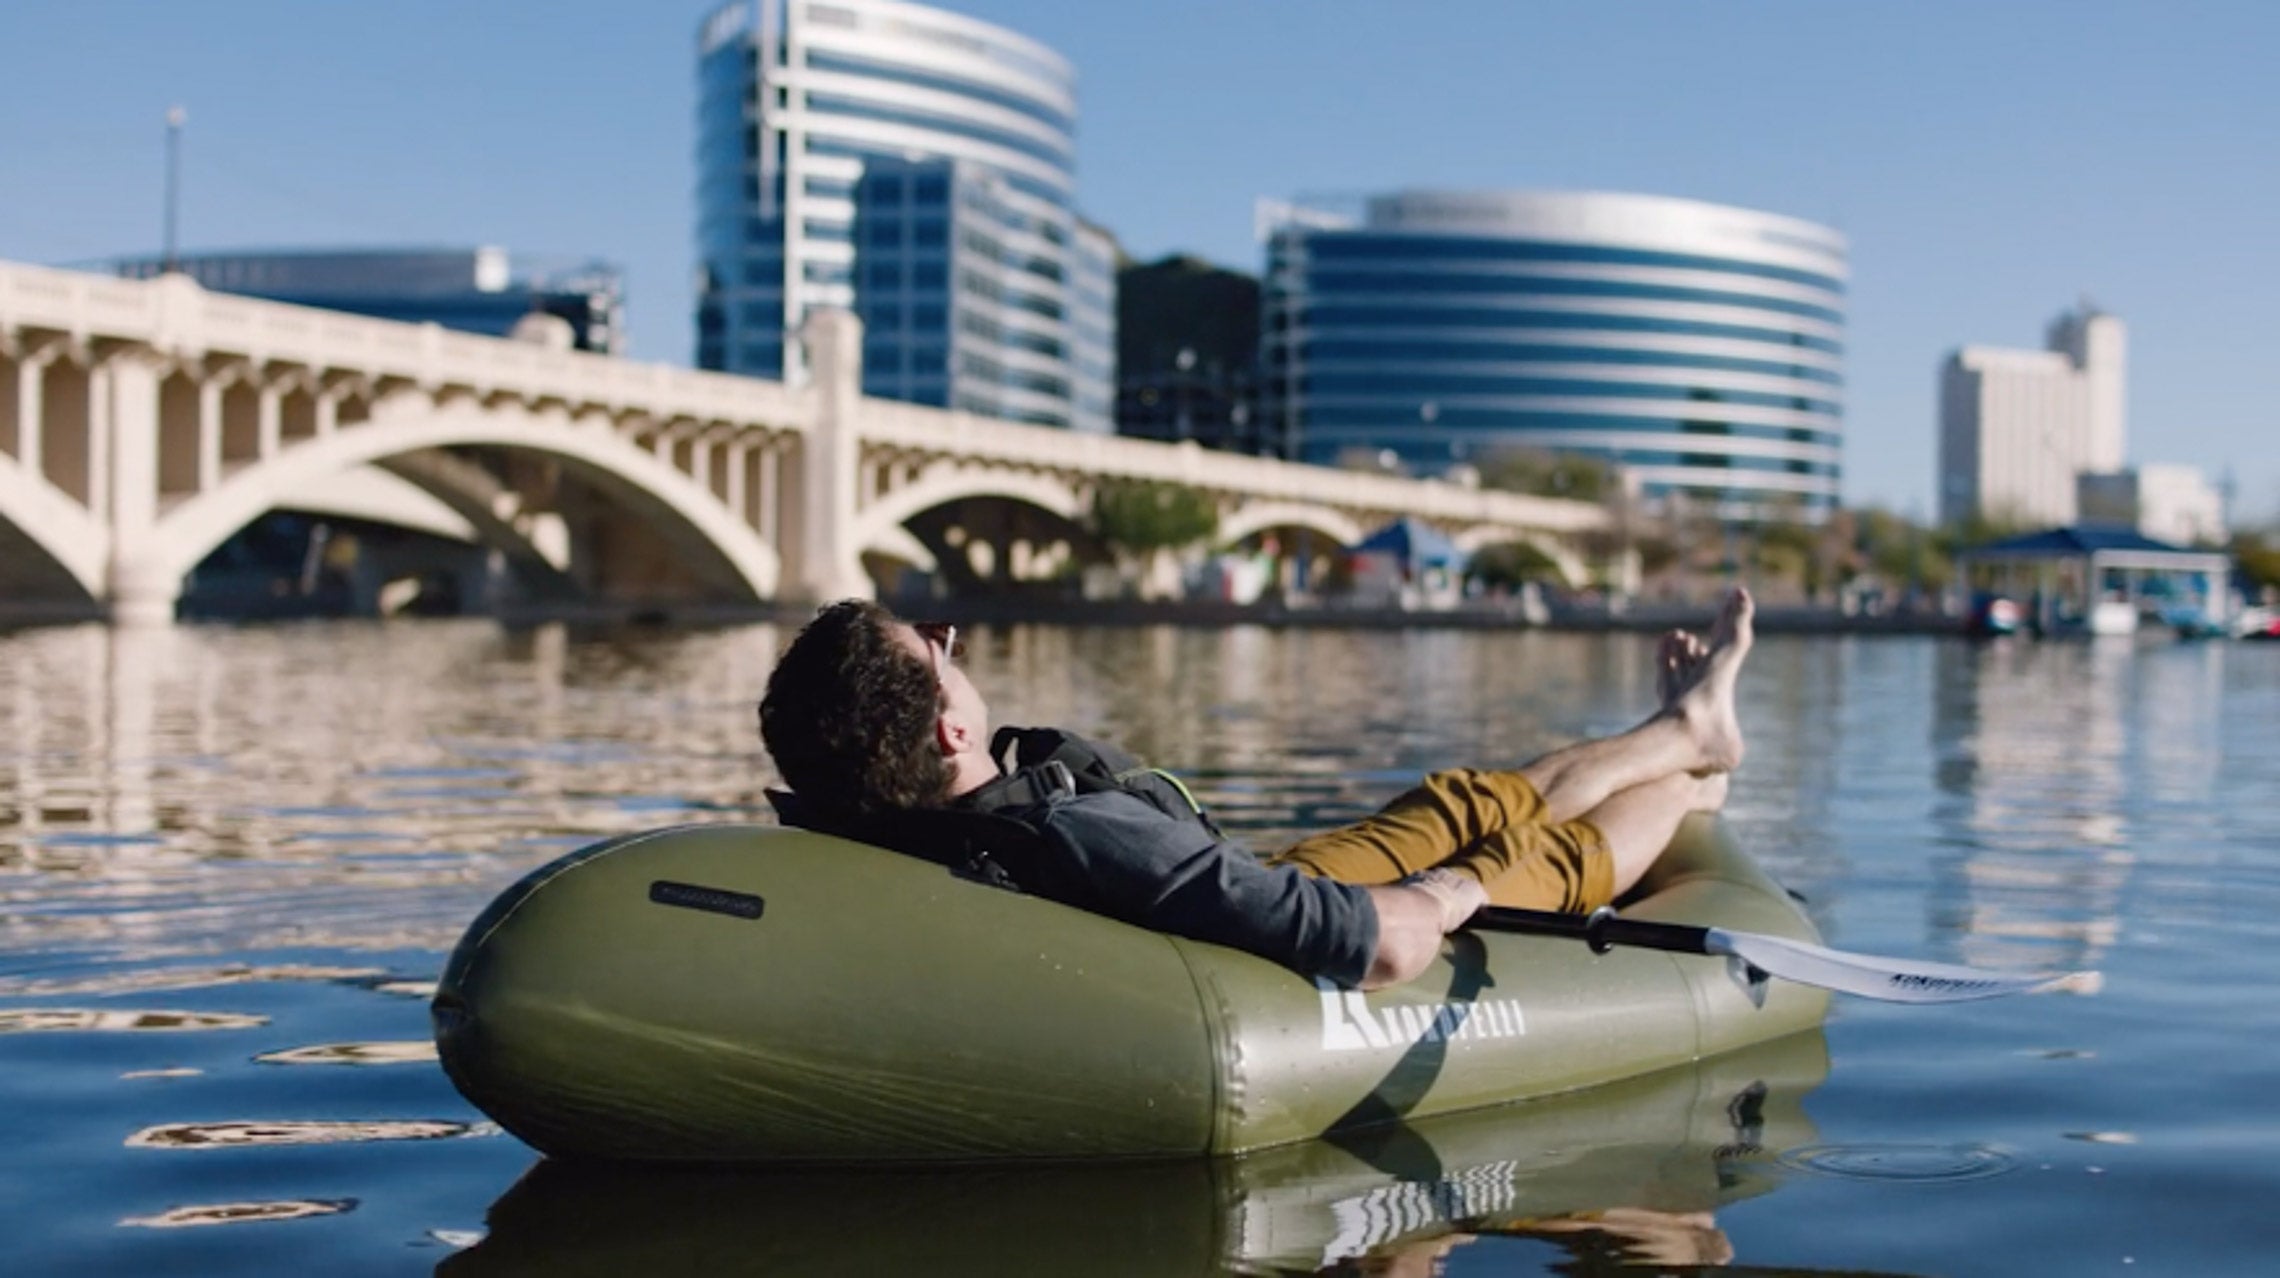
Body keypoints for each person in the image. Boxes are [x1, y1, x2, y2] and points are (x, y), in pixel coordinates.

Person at [758, 590, 1754, 991]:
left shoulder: (888, 817)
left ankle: (1680, 730)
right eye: (935, 648)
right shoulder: (1074, 834)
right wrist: (1458, 892)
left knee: (1460, 798)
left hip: (1239, 872)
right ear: (953, 730)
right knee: (1533, 853)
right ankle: (1695, 773)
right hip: (1252, 904)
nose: (948, 638)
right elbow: (1384, 946)